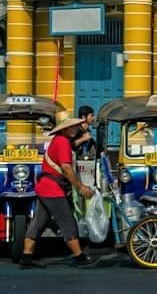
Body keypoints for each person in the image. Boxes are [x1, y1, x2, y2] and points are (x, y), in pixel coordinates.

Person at [19, 113, 100, 269]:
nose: (75, 129)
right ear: (65, 129)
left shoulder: (58, 141)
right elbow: (66, 168)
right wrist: (80, 187)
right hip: (53, 189)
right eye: (71, 126)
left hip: (45, 186)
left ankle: (26, 256)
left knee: (38, 223)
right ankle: (79, 256)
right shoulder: (62, 142)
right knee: (67, 222)